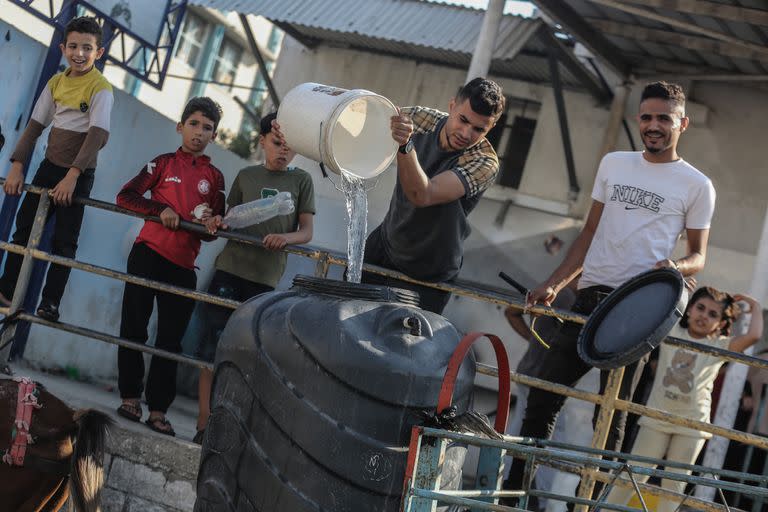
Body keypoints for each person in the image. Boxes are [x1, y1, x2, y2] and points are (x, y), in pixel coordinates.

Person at [503, 81, 717, 496]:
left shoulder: (697, 185)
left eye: (664, 119)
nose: (654, 126)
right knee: (544, 396)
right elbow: (589, 231)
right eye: (647, 117)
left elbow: (699, 256)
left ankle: (587, 503)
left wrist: (675, 266)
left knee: (612, 416)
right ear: (639, 119)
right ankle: (515, 494)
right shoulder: (614, 164)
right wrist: (553, 284)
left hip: (639, 309)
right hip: (589, 298)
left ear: (683, 124)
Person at [195, 112, 315, 443]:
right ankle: (204, 421)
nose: (283, 152)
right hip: (231, 269)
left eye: (289, 147)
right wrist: (216, 221)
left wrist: (285, 239)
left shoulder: (301, 181)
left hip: (264, 279)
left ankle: (231, 423)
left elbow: (306, 232)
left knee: (247, 352)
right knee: (212, 346)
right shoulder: (246, 176)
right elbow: (230, 218)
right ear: (262, 141)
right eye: (277, 143)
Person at [114, 97, 226, 436]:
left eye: (207, 128)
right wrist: (158, 209)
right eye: (193, 124)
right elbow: (125, 196)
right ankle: (130, 397)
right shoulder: (161, 163)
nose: (199, 132)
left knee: (171, 341)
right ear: (180, 127)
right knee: (134, 325)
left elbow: (211, 233)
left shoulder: (215, 177)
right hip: (147, 253)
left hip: (183, 266)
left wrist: (212, 223)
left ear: (214, 136)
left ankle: (159, 410)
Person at [605, 288, 762, 512]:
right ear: (688, 310)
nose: (703, 316)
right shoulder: (670, 331)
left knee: (673, 486)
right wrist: (679, 287)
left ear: (720, 324)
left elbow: (754, 335)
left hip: (691, 425)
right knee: (633, 475)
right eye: (700, 308)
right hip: (656, 418)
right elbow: (654, 310)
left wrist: (754, 305)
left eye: (712, 314)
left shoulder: (720, 346)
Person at [0, 16, 113, 321]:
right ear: (63, 48)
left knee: (64, 241)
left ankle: (50, 302)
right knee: (23, 227)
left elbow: (97, 137)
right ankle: (6, 289)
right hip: (49, 167)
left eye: (87, 48)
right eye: (73, 46)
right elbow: (34, 127)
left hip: (79, 175)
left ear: (98, 53)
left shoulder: (101, 88)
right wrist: (17, 165)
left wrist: (73, 177)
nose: (79, 53)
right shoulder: (57, 83)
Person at [360, 77, 504, 314]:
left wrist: (405, 146)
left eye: (479, 129)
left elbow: (423, 195)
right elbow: (369, 115)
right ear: (452, 106)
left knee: (403, 345)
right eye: (463, 120)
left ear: (491, 128)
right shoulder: (422, 120)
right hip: (386, 246)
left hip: (428, 274)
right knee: (342, 312)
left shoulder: (484, 163)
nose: (466, 133)